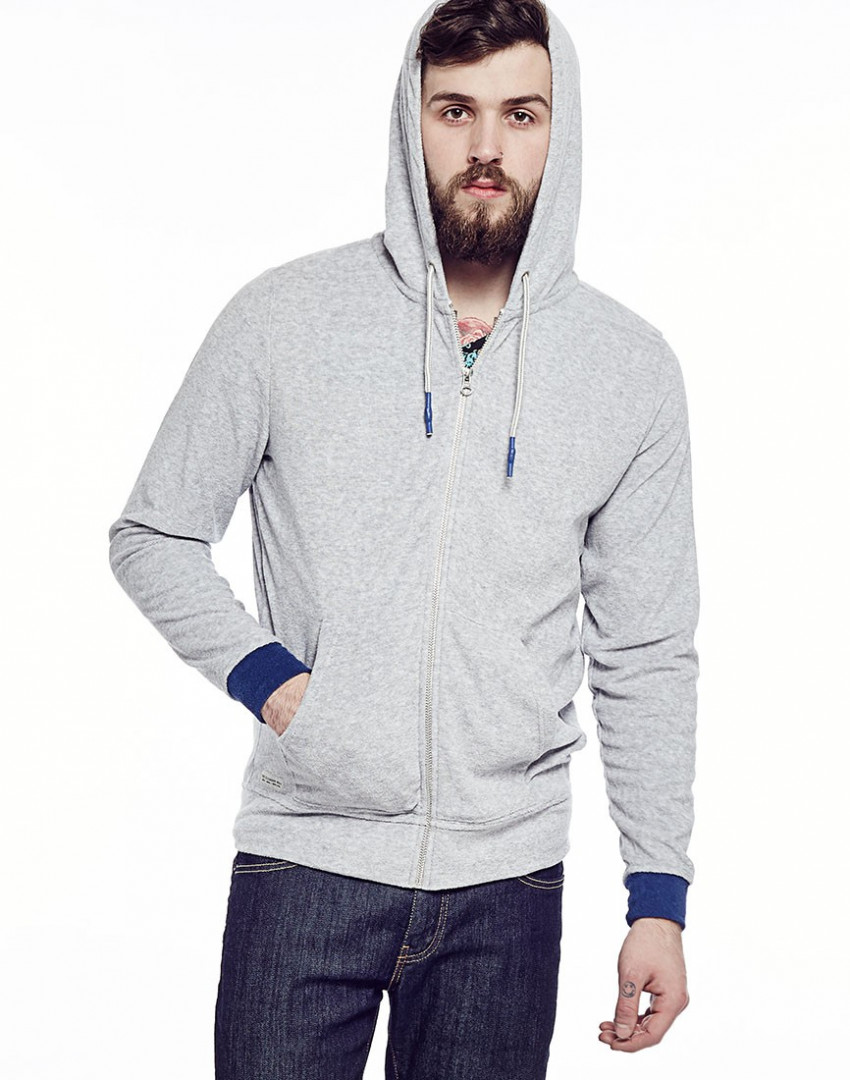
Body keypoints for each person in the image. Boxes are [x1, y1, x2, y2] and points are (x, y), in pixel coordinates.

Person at [108, 0, 699, 1075]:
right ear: (408, 120)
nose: (486, 147)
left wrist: (657, 896)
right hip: (307, 860)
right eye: (454, 111)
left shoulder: (629, 369)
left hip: (507, 886)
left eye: (521, 113)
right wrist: (277, 684)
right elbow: (153, 533)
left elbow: (646, 648)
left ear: (560, 129)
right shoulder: (284, 318)